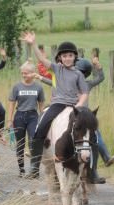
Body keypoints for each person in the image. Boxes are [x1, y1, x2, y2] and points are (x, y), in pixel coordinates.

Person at [20, 31, 89, 179]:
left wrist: (80, 106)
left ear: (75, 57)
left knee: (90, 131)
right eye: (64, 56)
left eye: (70, 55)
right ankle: (34, 166)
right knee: (40, 128)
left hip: (73, 106)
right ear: (60, 58)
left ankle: (91, 167)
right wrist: (33, 44)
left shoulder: (79, 74)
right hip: (58, 104)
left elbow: (84, 92)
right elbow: (42, 59)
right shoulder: (57, 69)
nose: (68, 58)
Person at [75, 57, 114, 184]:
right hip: (71, 115)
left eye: (82, 73)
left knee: (96, 136)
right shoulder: (68, 83)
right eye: (77, 73)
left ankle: (102, 162)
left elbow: (100, 78)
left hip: (86, 117)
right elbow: (53, 82)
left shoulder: (87, 84)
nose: (79, 76)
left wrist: (98, 66)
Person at [7, 60, 45, 177]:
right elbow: (12, 103)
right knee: (20, 144)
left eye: (27, 73)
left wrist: (42, 119)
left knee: (34, 142)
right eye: (23, 73)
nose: (24, 75)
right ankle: (21, 169)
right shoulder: (17, 87)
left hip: (33, 116)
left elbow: (41, 105)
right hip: (19, 116)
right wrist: (9, 120)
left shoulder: (38, 87)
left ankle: (34, 170)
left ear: (33, 73)